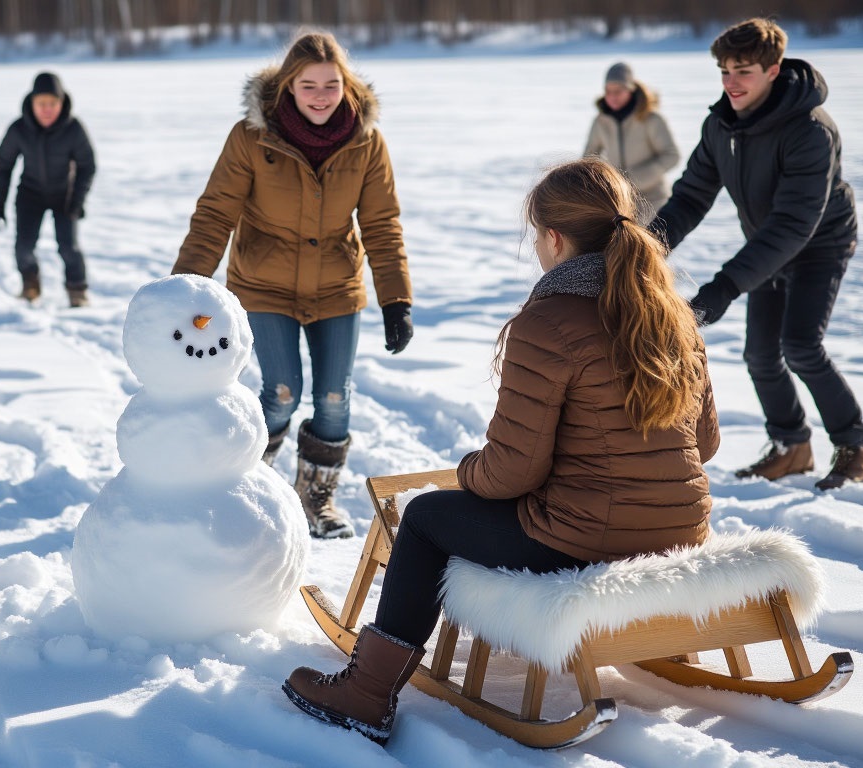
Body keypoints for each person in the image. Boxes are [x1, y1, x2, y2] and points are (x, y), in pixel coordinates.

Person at [283, 158, 718, 743]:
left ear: (554, 238)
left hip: (585, 540)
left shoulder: (549, 321)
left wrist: (466, 474)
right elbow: (705, 443)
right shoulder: (674, 315)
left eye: (537, 236)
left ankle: (366, 693)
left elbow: (512, 472)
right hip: (682, 532)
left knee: (425, 518)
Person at [173, 31, 413, 539]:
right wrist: (187, 285)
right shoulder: (251, 137)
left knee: (332, 399)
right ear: (288, 87)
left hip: (336, 286)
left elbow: (382, 224)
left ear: (346, 85)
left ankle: (315, 496)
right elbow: (216, 212)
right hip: (264, 283)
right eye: (309, 85)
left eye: (331, 84)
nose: (322, 95)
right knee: (281, 393)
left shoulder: (367, 142)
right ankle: (245, 485)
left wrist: (396, 299)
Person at [651, 17, 863, 490]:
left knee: (799, 345)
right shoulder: (721, 126)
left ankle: (858, 447)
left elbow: (795, 224)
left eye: (744, 71)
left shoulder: (811, 131)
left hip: (819, 244)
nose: (731, 83)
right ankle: (791, 446)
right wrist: (642, 248)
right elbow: (691, 197)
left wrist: (725, 286)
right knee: (759, 353)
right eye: (724, 71)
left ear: (773, 70)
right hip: (767, 244)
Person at [0, 71, 97, 307]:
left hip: (64, 196)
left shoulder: (73, 129)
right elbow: (4, 166)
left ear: (61, 103)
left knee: (69, 247)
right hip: (30, 194)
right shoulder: (19, 129)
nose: (47, 109)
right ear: (32, 102)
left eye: (53, 103)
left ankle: (77, 291)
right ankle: (30, 284)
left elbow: (87, 166)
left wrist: (78, 200)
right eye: (42, 103)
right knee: (24, 247)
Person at [583, 61, 681, 219]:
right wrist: (602, 183)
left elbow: (671, 156)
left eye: (618, 91)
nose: (612, 96)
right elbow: (589, 158)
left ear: (630, 90)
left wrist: (635, 179)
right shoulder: (601, 121)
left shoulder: (651, 119)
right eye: (608, 91)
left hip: (654, 203)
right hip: (619, 203)